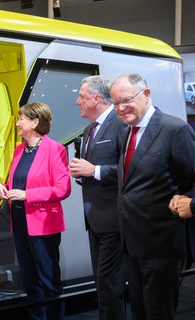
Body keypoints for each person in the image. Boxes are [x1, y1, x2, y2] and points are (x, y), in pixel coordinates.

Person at [111, 73, 195, 320]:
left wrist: (190, 203)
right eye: (115, 103)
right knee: (139, 311)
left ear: (146, 95)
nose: (120, 108)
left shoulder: (174, 129)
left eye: (126, 100)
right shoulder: (127, 132)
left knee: (158, 313)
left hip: (162, 244)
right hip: (132, 243)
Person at [0, 102, 71, 320]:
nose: (17, 123)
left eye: (21, 119)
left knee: (48, 280)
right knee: (30, 280)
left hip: (43, 225)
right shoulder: (19, 149)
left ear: (35, 122)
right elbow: (15, 182)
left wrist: (28, 195)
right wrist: (1, 188)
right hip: (19, 222)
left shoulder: (54, 149)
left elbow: (62, 189)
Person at [68, 76, 127, 320]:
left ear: (96, 98)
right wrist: (80, 173)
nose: (77, 101)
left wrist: (93, 170)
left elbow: (129, 169)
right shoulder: (88, 130)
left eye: (81, 96)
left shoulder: (120, 124)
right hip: (94, 221)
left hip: (114, 219)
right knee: (102, 286)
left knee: (109, 285)